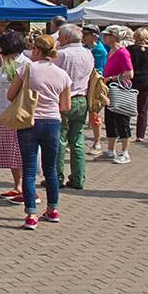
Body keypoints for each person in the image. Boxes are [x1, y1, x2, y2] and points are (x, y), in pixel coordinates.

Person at [6, 34, 71, 230]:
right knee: (50, 169)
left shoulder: (27, 69)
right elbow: (65, 106)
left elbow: (10, 96)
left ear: (36, 50)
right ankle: (52, 210)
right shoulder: (62, 74)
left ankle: (31, 214)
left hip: (29, 121)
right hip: (52, 122)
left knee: (29, 169)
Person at [53, 24, 94, 190]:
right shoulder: (88, 53)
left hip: (64, 98)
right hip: (82, 99)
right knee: (77, 139)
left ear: (66, 38)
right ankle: (78, 178)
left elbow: (52, 75)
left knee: (60, 139)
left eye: (60, 37)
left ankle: (56, 177)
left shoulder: (62, 54)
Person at [0, 30, 30, 203]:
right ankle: (18, 185)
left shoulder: (23, 64)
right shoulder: (7, 61)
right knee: (11, 153)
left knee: (18, 152)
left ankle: (25, 188)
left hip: (17, 114)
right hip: (4, 112)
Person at [100, 26, 135, 164]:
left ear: (114, 36)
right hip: (110, 89)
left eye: (107, 35)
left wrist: (112, 78)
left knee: (122, 120)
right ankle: (110, 149)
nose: (105, 37)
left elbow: (129, 73)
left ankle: (125, 151)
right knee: (110, 119)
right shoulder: (111, 52)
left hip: (119, 89)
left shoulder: (122, 52)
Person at [127, 28, 148, 143]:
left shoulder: (129, 49)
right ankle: (140, 135)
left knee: (127, 108)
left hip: (131, 80)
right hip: (146, 81)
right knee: (143, 109)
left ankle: (126, 132)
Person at [83, 24, 108, 152]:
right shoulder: (85, 48)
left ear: (94, 36)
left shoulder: (99, 51)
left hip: (95, 86)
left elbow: (98, 70)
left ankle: (97, 141)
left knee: (94, 114)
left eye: (86, 35)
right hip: (84, 85)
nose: (83, 37)